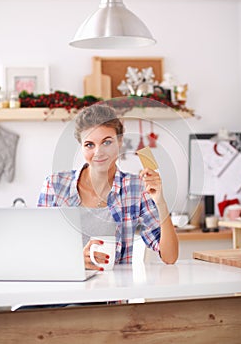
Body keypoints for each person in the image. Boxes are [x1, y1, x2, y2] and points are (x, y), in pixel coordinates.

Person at [38, 104, 178, 270]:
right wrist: (74, 259)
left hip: (114, 293)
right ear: (81, 146)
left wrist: (160, 202)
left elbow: (170, 257)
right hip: (67, 294)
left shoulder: (135, 189)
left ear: (120, 142)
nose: (98, 152)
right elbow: (39, 252)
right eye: (89, 145)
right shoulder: (55, 186)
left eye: (107, 142)